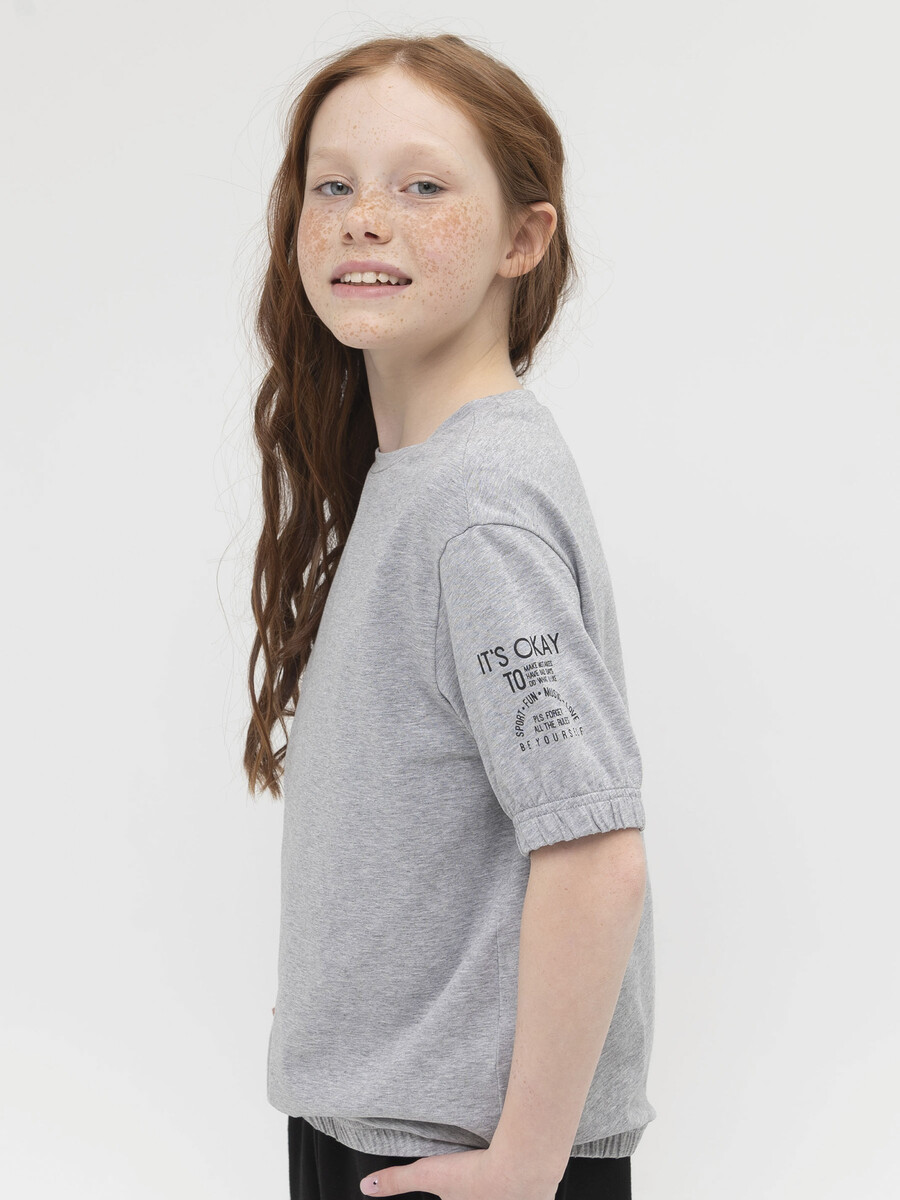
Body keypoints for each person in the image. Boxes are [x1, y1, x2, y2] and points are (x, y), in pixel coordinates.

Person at [244, 31, 656, 1200]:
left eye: (423, 186)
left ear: (524, 239)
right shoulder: (421, 478)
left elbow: (596, 856)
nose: (365, 220)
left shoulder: (476, 505)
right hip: (390, 1121)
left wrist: (525, 1163)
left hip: (457, 1153)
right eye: (333, 186)